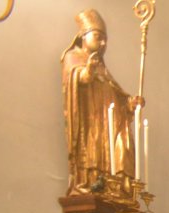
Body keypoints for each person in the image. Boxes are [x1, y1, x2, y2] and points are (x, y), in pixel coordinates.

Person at [60, 10, 140, 197]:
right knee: (92, 147)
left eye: (105, 40)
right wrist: (87, 71)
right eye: (98, 37)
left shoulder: (103, 68)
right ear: (83, 36)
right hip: (89, 120)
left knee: (121, 142)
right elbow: (74, 79)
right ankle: (89, 181)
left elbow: (115, 94)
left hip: (106, 123)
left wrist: (129, 104)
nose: (103, 43)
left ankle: (114, 185)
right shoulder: (73, 56)